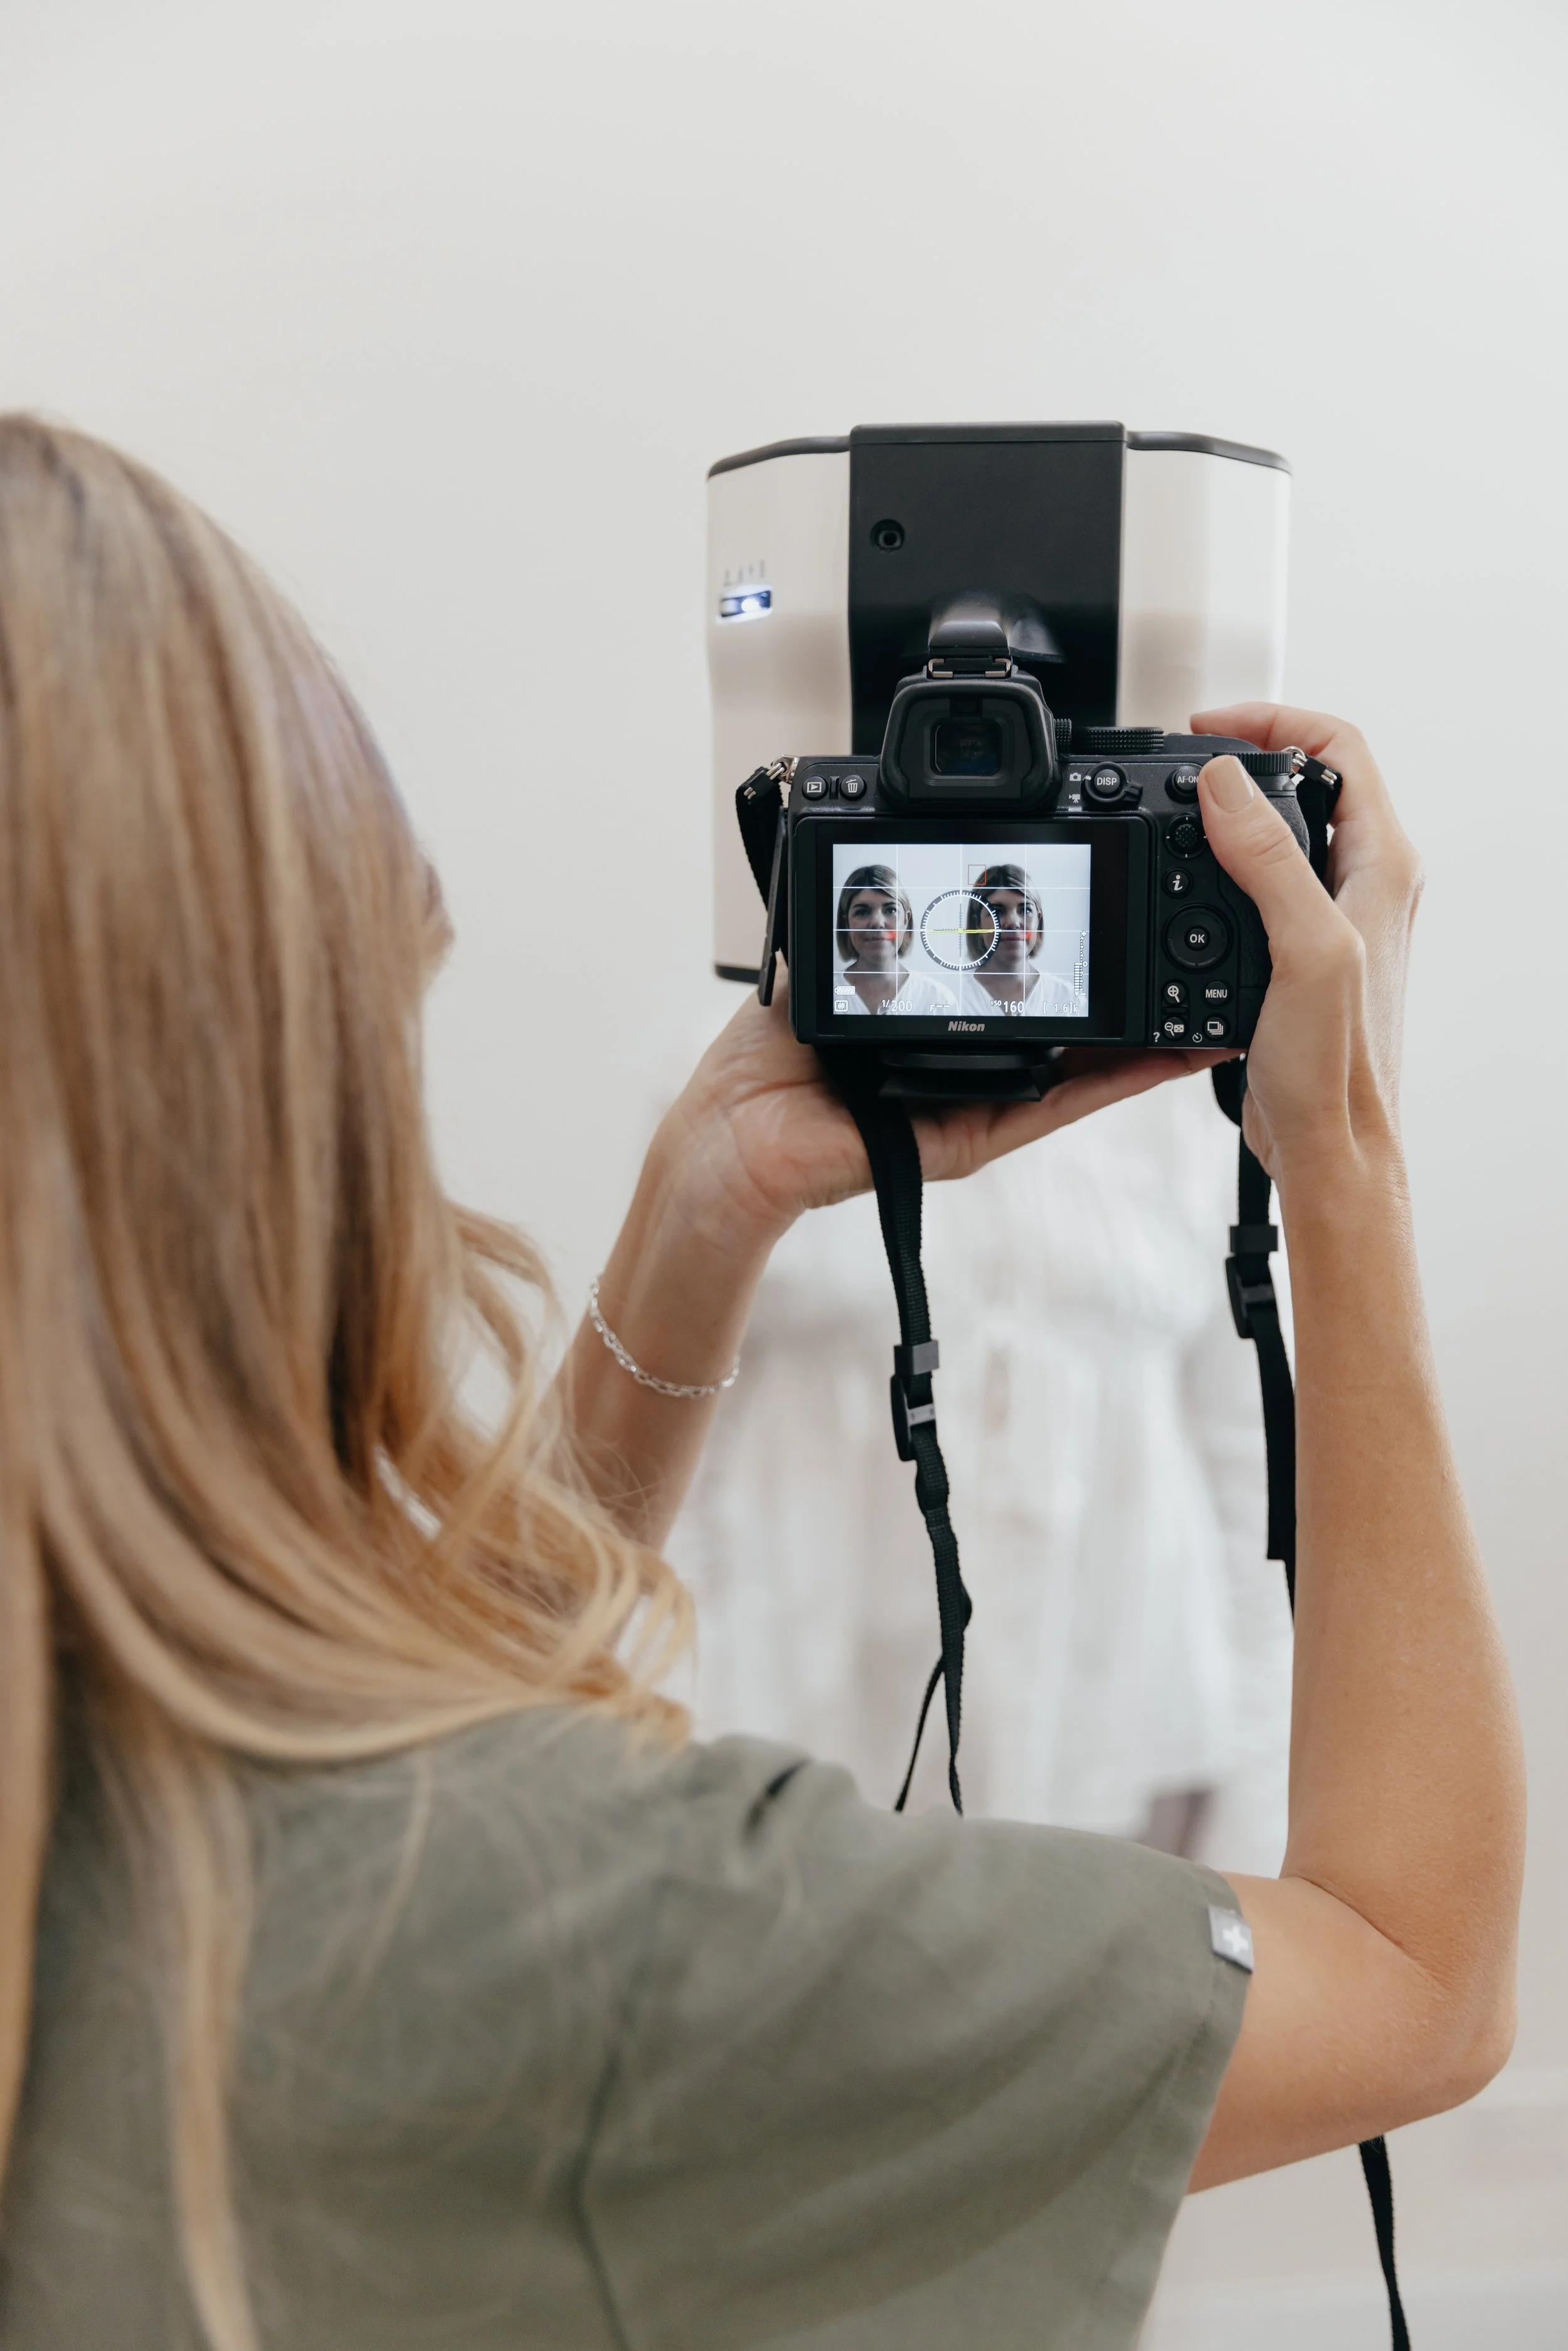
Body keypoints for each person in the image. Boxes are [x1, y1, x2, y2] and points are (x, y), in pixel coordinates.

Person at [0, 417, 1524, 2351]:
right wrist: (1347, 1158)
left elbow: (406, 1717)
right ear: (276, 1110)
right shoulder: (611, 1936)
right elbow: (1409, 1974)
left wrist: (706, 1203)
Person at [669, 1073, 1295, 1866]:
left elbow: (1257, 1477)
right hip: (800, 1765)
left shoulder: (1190, 1101)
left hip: (1127, 1775)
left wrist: (1254, 1832)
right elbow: (673, 1454)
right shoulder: (739, 1082)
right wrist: (681, 1761)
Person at [956, 862, 1083, 1016]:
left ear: (1038, 921)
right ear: (977, 925)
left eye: (1025, 910)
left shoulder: (1068, 999)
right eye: (996, 911)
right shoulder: (953, 997)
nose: (1013, 922)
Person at [832, 862, 958, 1014]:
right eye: (862, 912)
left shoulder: (939, 1000)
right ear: (846, 923)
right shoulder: (824, 994)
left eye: (891, 910)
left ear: (906, 920)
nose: (877, 923)